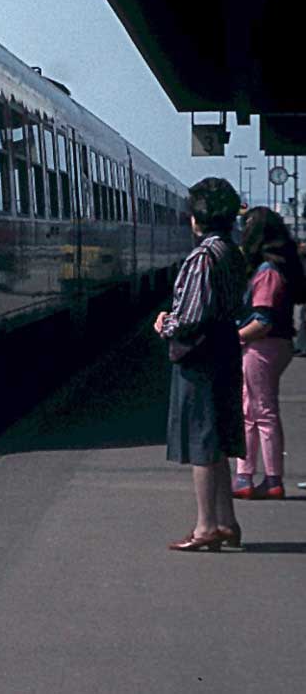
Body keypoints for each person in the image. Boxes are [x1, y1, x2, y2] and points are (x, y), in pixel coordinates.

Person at [153, 177, 248, 552]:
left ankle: (206, 526)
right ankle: (226, 522)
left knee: (202, 440)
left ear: (197, 217)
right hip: (225, 347)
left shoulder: (203, 257)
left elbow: (192, 316)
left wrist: (165, 325)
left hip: (201, 356)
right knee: (218, 438)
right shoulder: (230, 251)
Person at [232, 207, 304, 500]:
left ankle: (270, 479)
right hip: (270, 346)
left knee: (261, 411)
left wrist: (232, 338)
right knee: (252, 411)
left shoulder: (267, 272)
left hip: (263, 347)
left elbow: (263, 321)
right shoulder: (275, 268)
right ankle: (246, 475)